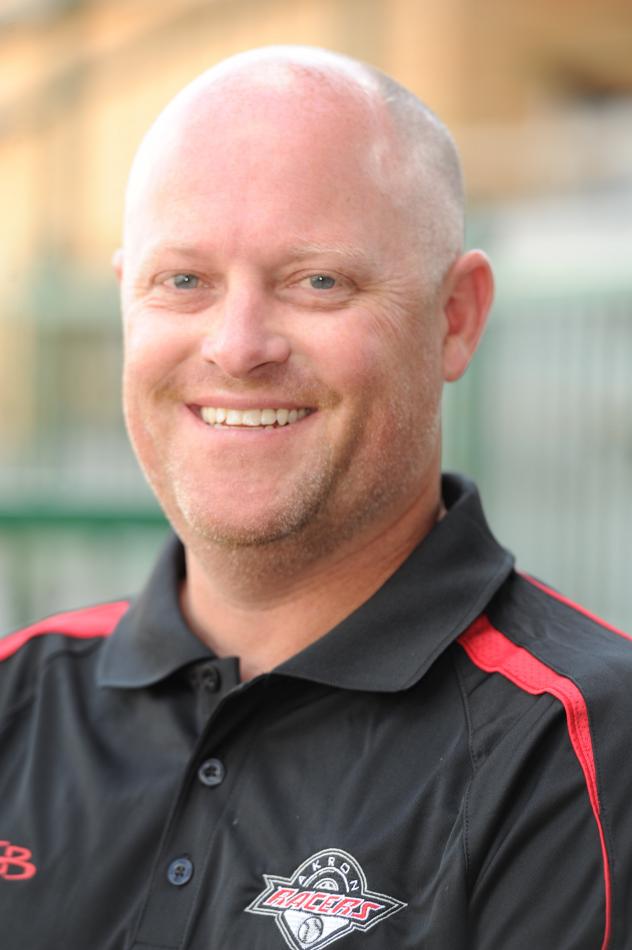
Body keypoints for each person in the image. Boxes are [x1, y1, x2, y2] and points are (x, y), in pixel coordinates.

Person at [1, 45, 631, 950]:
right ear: (124, 306)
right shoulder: (16, 702)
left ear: (455, 318)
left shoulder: (584, 750)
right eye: (184, 281)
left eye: (317, 281)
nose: (238, 345)